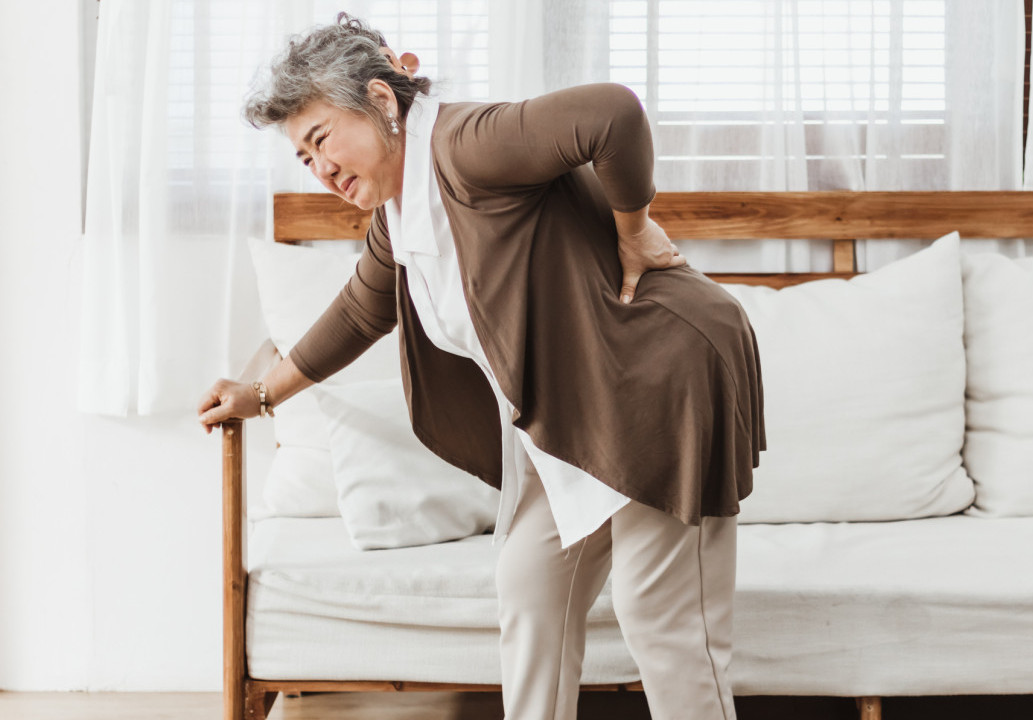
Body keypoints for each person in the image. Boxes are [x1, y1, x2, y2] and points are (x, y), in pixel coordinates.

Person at [197, 13, 765, 720]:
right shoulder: (400, 213)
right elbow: (359, 312)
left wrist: (635, 230)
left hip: (661, 380)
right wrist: (259, 393)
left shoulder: (466, 144)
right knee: (530, 586)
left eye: (321, 138)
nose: (320, 168)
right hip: (579, 409)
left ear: (380, 100)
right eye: (304, 158)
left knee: (659, 614)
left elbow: (612, 114)